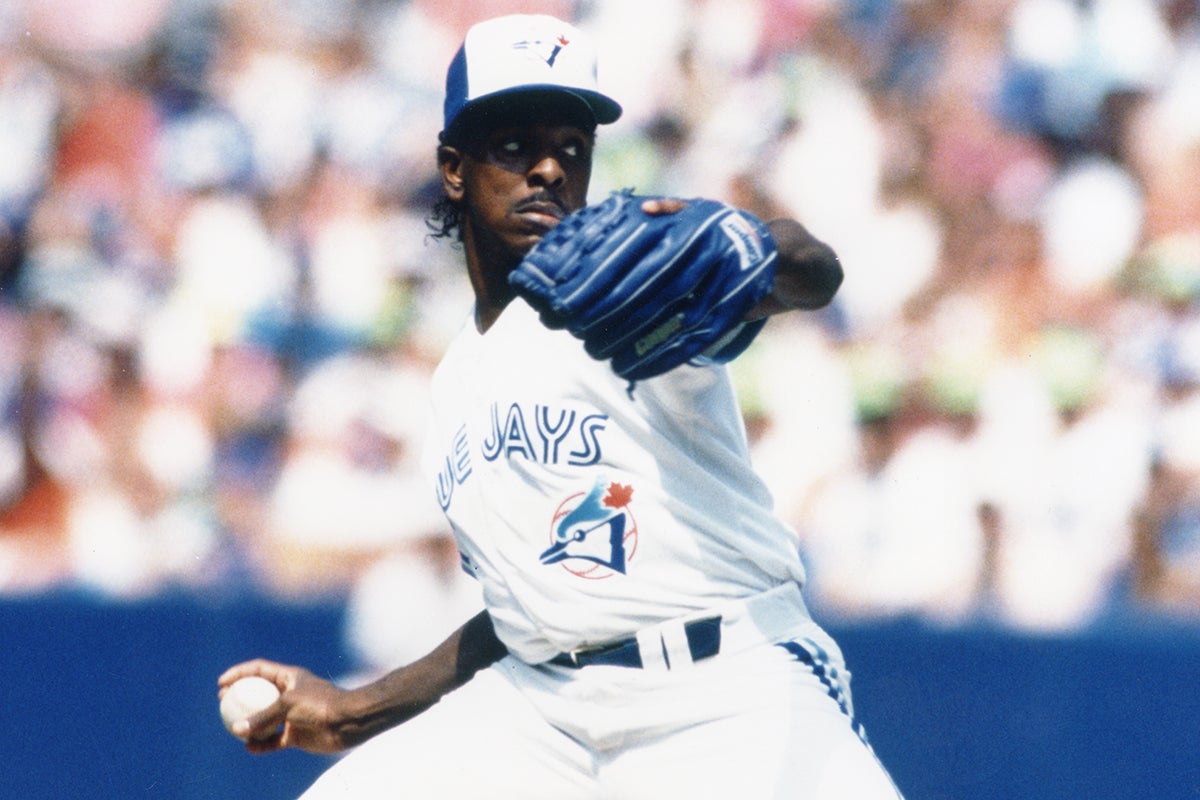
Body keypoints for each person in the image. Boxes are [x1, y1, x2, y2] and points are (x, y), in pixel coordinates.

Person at [219, 13, 903, 799]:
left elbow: (812, 276)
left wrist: (754, 246)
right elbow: (525, 619)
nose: (548, 168)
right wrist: (353, 713)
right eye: (515, 146)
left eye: (571, 149)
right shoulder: (453, 385)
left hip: (724, 688)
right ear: (453, 168)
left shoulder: (636, 295)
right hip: (547, 709)